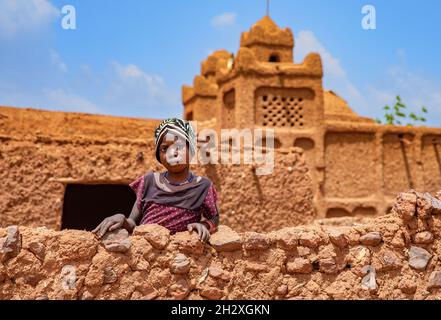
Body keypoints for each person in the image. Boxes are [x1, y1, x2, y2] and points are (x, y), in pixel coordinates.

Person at [92, 118, 219, 242]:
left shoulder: (203, 186)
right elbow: (132, 223)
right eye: (164, 148)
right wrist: (122, 219)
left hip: (181, 255)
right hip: (146, 253)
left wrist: (204, 225)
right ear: (159, 155)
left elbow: (214, 218)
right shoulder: (149, 181)